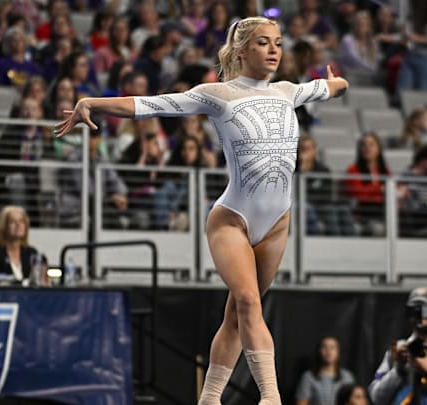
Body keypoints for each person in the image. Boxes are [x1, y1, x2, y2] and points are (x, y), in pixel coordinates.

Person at [55, 16, 348, 404]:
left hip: (278, 223)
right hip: (233, 219)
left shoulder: (289, 91)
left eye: (278, 42)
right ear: (242, 51)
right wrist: (91, 102)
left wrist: (335, 82)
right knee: (248, 302)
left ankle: (209, 399)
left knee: (236, 316)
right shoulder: (219, 94)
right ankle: (271, 397)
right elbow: (150, 105)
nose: (275, 50)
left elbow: (333, 86)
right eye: (264, 43)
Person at [344, 132, 390, 236]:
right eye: (364, 145)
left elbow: (390, 190)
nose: (367, 148)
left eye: (371, 144)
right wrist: (379, 189)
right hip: (362, 215)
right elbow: (357, 193)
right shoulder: (353, 170)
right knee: (379, 229)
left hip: (383, 213)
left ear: (379, 149)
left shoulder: (385, 171)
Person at [0, 205, 39, 280]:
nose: (18, 225)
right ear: (3, 226)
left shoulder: (31, 253)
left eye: (21, 221)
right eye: (12, 222)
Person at [295, 336, 355, 405]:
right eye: (324, 347)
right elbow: (301, 402)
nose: (328, 351)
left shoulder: (347, 377)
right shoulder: (308, 377)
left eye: (332, 347)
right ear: (319, 351)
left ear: (338, 352)